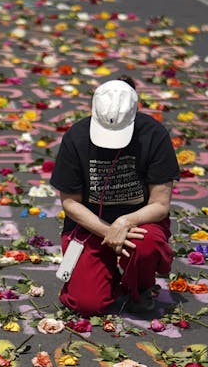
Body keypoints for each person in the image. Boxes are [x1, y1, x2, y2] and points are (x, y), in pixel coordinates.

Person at [50, 78, 179, 318]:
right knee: (87, 304)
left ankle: (139, 288)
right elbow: (70, 202)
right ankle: (106, 276)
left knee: (146, 243)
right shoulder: (76, 137)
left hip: (140, 224)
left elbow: (160, 204)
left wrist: (124, 223)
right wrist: (108, 231)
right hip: (90, 224)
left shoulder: (154, 135)